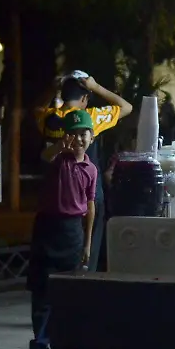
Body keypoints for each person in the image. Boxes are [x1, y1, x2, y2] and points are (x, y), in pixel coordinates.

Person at [36, 74, 133, 272]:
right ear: (84, 99)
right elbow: (127, 107)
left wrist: (50, 91)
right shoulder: (89, 119)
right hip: (87, 198)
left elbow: (35, 111)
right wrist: (96, 87)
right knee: (87, 255)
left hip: (57, 199)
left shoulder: (48, 118)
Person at [25, 110, 99, 349]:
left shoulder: (91, 169)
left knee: (69, 294)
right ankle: (39, 345)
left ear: (92, 136)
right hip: (48, 228)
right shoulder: (57, 158)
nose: (78, 139)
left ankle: (66, 345)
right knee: (44, 291)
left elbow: (90, 206)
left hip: (72, 232)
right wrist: (59, 146)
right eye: (73, 134)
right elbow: (45, 156)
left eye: (83, 133)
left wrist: (87, 243)